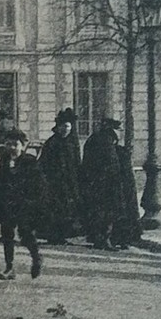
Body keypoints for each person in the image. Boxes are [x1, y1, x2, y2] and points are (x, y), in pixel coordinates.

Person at [0, 128, 45, 279]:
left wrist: (32, 202)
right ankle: (9, 267)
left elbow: (39, 185)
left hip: (25, 205)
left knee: (26, 234)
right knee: (7, 236)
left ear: (22, 145)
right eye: (8, 144)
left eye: (15, 144)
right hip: (7, 205)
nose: (12, 148)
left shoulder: (30, 162)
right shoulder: (4, 163)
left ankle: (36, 257)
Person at [80, 117, 142, 250]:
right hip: (106, 184)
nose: (120, 132)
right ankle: (105, 240)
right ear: (112, 130)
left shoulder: (99, 140)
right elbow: (110, 164)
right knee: (109, 212)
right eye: (119, 130)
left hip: (98, 183)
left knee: (106, 212)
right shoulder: (105, 142)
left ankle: (108, 239)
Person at [39, 107, 82, 244]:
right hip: (54, 182)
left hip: (69, 182)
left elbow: (76, 162)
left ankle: (62, 235)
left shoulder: (72, 143)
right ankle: (54, 236)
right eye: (63, 126)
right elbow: (43, 163)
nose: (65, 130)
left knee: (67, 210)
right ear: (57, 127)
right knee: (55, 209)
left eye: (68, 127)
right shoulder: (52, 143)